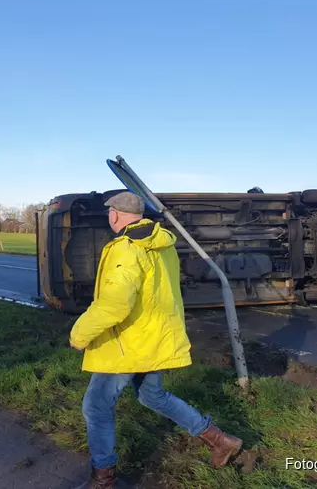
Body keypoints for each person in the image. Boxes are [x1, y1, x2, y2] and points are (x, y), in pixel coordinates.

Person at [69, 191, 243, 488]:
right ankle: (219, 440)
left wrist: (80, 334)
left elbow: (115, 304)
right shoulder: (162, 243)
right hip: (155, 336)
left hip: (130, 342)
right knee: (152, 396)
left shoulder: (126, 248)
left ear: (114, 214)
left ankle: (103, 479)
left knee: (96, 406)